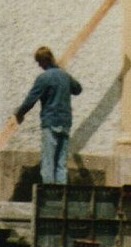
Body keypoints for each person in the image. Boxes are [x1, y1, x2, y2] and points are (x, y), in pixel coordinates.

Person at [15, 45, 82, 185]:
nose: (39, 66)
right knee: (61, 163)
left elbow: (31, 99)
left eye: (39, 62)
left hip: (50, 122)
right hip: (65, 123)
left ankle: (48, 193)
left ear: (44, 61)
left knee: (48, 162)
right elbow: (78, 89)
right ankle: (61, 192)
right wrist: (63, 75)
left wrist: (19, 113)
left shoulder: (44, 78)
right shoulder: (64, 76)